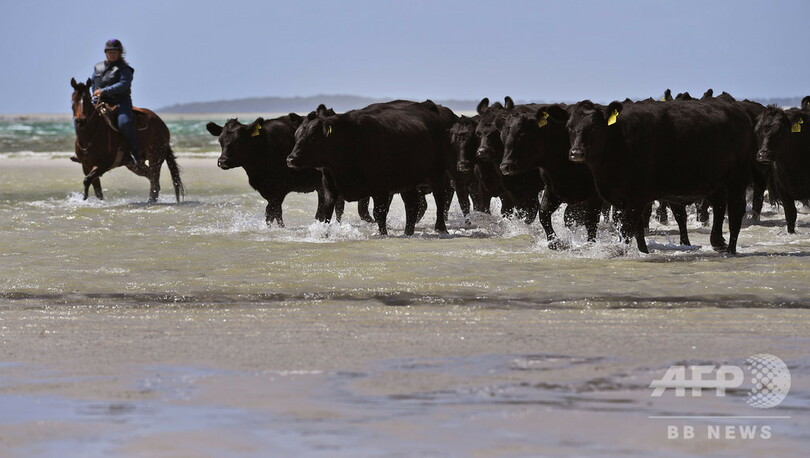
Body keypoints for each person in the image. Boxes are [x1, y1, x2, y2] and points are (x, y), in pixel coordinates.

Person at [87, 39, 139, 165]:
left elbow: (123, 84)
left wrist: (104, 91)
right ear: (106, 53)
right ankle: (83, 152)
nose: (112, 54)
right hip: (101, 102)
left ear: (120, 53)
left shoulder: (125, 69)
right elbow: (94, 84)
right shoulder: (98, 67)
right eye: (110, 52)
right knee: (82, 121)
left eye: (115, 52)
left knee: (124, 123)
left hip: (120, 103)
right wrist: (95, 97)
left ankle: (135, 153)